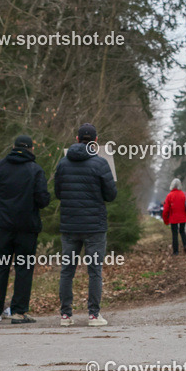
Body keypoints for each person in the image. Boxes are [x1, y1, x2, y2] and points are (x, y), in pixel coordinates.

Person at [0, 135, 50, 325]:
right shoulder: (35, 170)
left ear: (14, 147)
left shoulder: (0, 166)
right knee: (24, 268)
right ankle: (18, 312)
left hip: (2, 226)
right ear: (31, 148)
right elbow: (42, 199)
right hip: (27, 227)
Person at [54, 123, 117, 326]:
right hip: (94, 227)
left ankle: (65, 315)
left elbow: (57, 193)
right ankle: (93, 315)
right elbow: (111, 195)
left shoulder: (63, 163)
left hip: (70, 225)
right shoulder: (100, 164)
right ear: (96, 141)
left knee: (67, 271)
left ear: (76, 138)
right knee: (94, 270)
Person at [162, 178, 186, 254]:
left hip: (173, 218)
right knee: (182, 231)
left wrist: (165, 220)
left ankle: (176, 251)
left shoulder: (169, 195)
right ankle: (185, 245)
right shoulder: (184, 194)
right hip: (183, 217)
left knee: (174, 234)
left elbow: (166, 209)